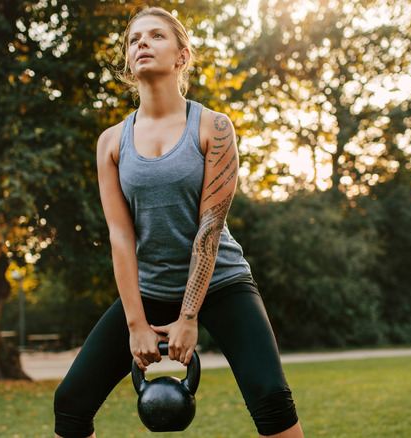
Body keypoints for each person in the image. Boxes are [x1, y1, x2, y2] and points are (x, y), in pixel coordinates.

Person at [53, 6, 304, 438]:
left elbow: (209, 231)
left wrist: (190, 317)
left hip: (221, 284)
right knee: (71, 404)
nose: (142, 44)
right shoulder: (111, 142)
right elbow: (120, 235)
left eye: (155, 36)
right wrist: (135, 325)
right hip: (149, 290)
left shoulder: (214, 128)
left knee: (270, 398)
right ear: (129, 61)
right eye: (134, 40)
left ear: (182, 56)